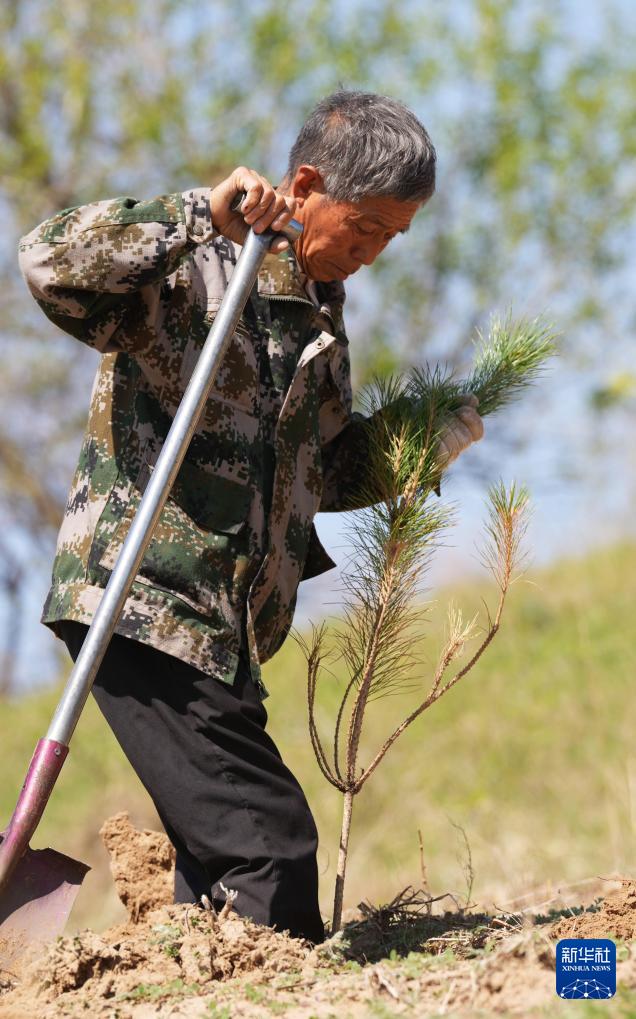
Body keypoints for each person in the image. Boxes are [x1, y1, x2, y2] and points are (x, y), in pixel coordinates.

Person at [18, 90, 483, 943]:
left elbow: (324, 474)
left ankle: (206, 986)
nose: (374, 254)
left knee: (218, 873)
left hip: (225, 634)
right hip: (146, 605)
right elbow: (50, 261)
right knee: (268, 844)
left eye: (393, 238)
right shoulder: (199, 267)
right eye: (368, 227)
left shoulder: (320, 319)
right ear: (305, 183)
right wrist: (199, 211)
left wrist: (422, 441)